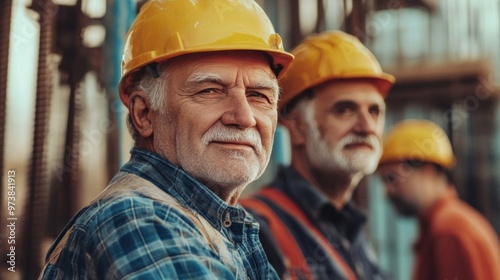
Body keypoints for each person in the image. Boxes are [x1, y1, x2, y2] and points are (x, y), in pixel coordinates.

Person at [38, 0, 294, 279]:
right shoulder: (137, 221)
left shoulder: (221, 224)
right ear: (144, 113)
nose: (244, 117)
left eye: (259, 95)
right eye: (209, 91)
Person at [240, 30, 395, 280]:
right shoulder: (254, 228)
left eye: (375, 111)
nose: (366, 127)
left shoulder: (351, 228)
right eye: (345, 109)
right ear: (298, 126)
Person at [377, 119, 500, 280]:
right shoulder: (447, 224)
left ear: (427, 170)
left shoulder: (449, 231)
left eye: (391, 179)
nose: (385, 192)